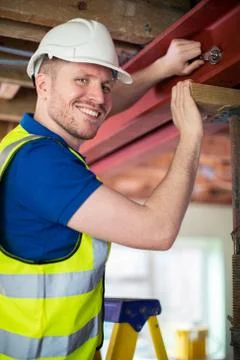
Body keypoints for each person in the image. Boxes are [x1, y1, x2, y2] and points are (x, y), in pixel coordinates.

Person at [0, 18, 204, 360]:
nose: (97, 97)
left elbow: (91, 103)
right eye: (81, 79)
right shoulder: (41, 162)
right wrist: (192, 138)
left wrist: (161, 68)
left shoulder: (23, 146)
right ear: (43, 84)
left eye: (105, 85)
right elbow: (157, 230)